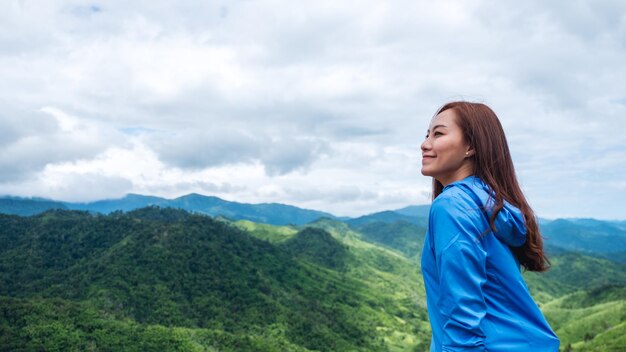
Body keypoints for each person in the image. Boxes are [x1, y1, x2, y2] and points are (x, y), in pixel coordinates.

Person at [420, 101, 560, 351]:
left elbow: (462, 320)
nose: (425, 143)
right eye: (427, 134)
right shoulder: (490, 203)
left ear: (471, 146)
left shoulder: (452, 206)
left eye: (438, 133)